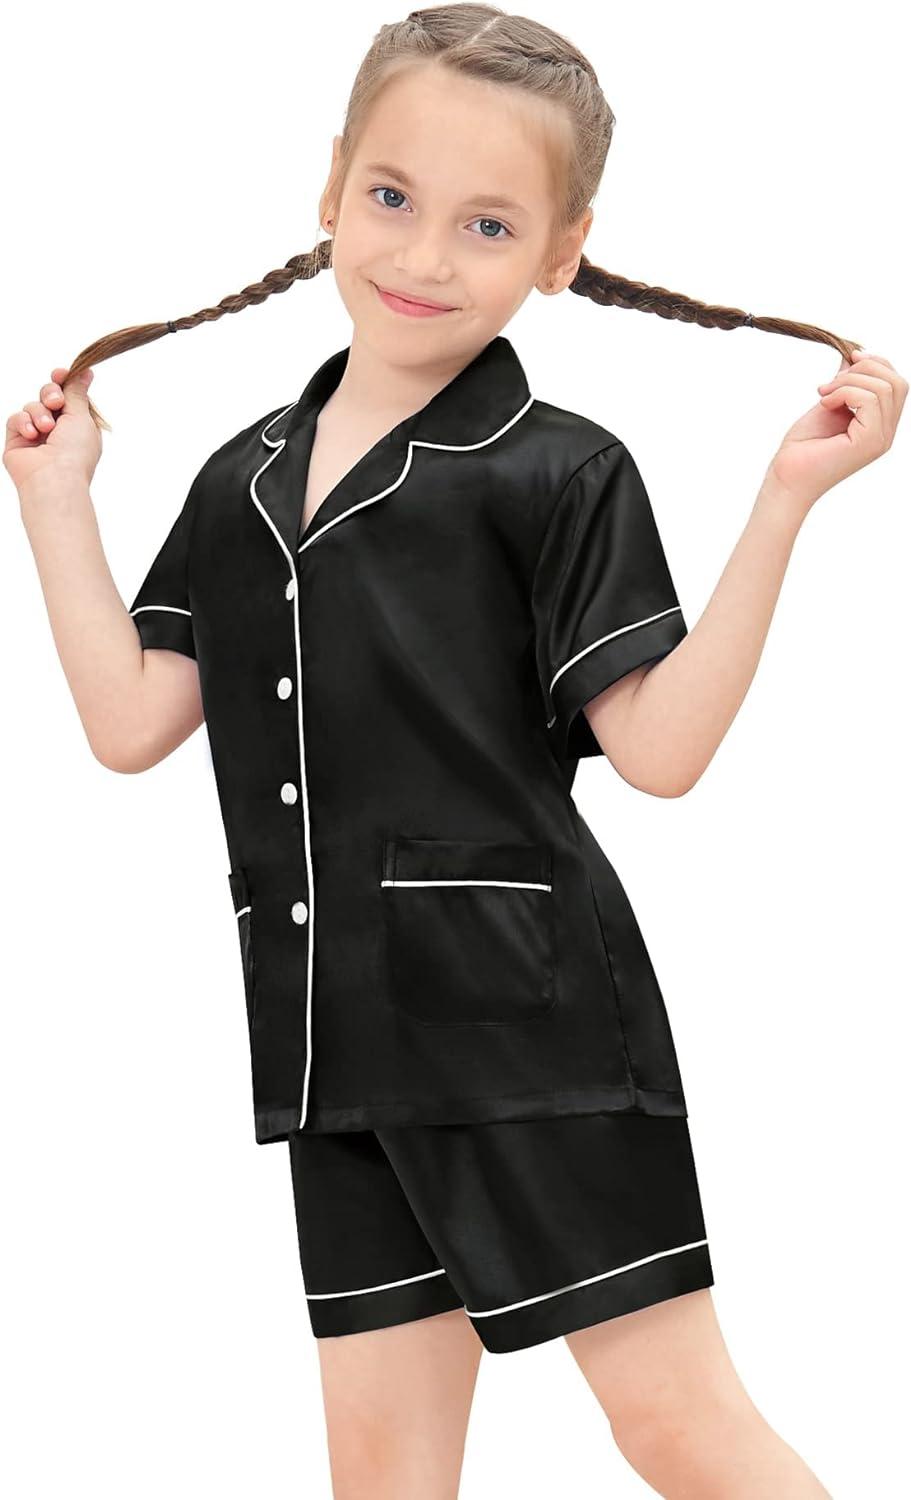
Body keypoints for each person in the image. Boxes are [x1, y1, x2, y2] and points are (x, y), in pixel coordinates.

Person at [5, 6, 904, 1497]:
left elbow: (661, 750)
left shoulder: (561, 469)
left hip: (530, 1031)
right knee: (383, 1471)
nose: (424, 256)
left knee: (677, 1430)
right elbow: (131, 722)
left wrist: (786, 500)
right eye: (391, 196)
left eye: (489, 224)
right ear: (332, 185)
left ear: (562, 250)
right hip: (330, 1034)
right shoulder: (241, 482)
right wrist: (53, 503)